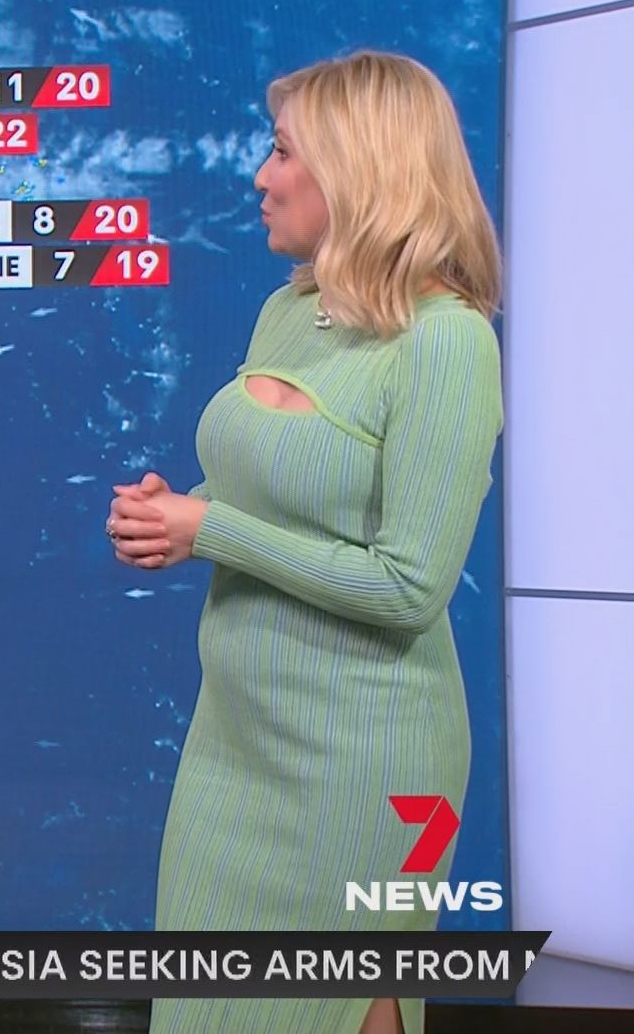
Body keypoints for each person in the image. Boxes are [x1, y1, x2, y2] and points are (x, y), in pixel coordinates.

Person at [107, 50, 503, 1034]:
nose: (260, 175)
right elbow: (281, 493)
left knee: (345, 1005)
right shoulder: (287, 310)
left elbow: (409, 587)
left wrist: (213, 530)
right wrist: (179, 515)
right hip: (236, 745)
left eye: (283, 152)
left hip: (368, 770)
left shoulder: (447, 343)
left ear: (359, 169)